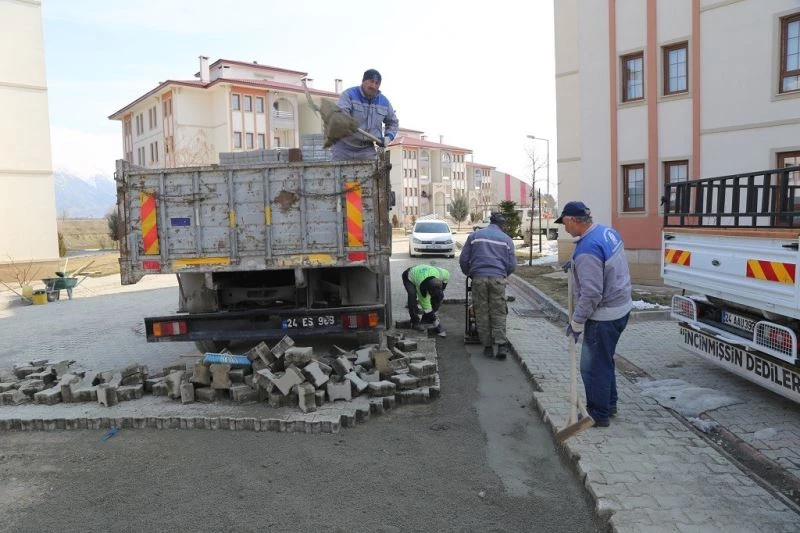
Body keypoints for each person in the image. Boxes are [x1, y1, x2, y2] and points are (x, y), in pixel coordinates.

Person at [555, 201, 632, 428]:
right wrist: (575, 265)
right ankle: (609, 403)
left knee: (593, 366)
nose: (565, 228)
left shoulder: (587, 249)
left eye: (565, 223)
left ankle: (598, 414)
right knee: (604, 360)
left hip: (604, 317)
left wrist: (577, 322)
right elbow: (602, 263)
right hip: (621, 307)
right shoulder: (605, 232)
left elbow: (591, 293)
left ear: (574, 220)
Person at [459, 212, 516, 359]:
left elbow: (464, 259)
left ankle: (488, 347)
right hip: (498, 279)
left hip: (479, 278)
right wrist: (503, 274)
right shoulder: (507, 240)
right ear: (502, 225)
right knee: (499, 312)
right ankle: (502, 345)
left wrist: (470, 273)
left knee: (482, 312)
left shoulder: (474, 236)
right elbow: (512, 265)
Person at [331, 69, 399, 161]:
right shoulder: (349, 95)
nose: (373, 86)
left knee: (374, 174)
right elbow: (341, 112)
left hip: (366, 150)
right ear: (363, 81)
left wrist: (388, 137)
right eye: (371, 81)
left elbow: (393, 122)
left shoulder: (384, 102)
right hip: (343, 148)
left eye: (377, 83)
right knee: (339, 175)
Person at [401, 264, 449, 337]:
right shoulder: (422, 289)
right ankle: (415, 322)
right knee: (412, 296)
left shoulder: (442, 274)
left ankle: (426, 319)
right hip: (409, 275)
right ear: (428, 289)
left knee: (439, 296)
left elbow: (446, 278)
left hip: (423, 271)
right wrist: (437, 325)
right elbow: (427, 308)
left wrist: (442, 289)